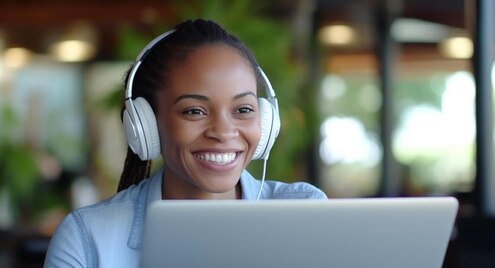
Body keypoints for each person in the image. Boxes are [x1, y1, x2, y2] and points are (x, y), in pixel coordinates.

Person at [44, 19, 327, 267]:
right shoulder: (87, 238)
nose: (223, 132)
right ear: (148, 126)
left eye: (243, 110)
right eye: (194, 111)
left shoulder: (307, 213)